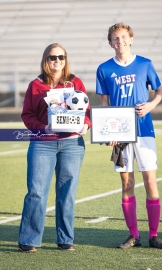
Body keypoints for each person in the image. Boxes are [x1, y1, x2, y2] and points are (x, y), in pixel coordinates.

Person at [96, 23, 162, 249]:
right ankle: (133, 235)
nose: (120, 42)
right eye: (115, 39)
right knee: (127, 182)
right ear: (110, 43)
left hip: (144, 129)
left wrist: (150, 105)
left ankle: (153, 235)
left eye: (123, 37)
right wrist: (109, 132)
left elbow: (159, 91)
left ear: (131, 39)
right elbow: (105, 104)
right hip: (121, 133)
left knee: (150, 181)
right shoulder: (104, 69)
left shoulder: (145, 64)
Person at [18, 43, 92, 252]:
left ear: (65, 60)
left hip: (72, 144)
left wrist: (86, 124)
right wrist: (44, 127)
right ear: (46, 60)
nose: (57, 61)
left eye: (61, 57)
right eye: (52, 57)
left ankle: (65, 238)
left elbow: (87, 111)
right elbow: (27, 115)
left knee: (67, 192)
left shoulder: (76, 82)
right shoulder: (36, 85)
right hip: (43, 143)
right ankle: (29, 239)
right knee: (37, 191)